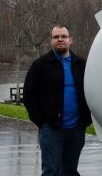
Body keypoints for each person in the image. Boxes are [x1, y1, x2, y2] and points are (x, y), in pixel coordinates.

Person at [23, 25, 92, 176]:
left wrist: (87, 119)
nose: (60, 39)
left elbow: (94, 92)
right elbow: (28, 96)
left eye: (63, 36)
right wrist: (41, 121)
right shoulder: (40, 65)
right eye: (56, 37)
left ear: (70, 40)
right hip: (51, 129)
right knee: (51, 171)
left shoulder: (82, 65)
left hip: (76, 129)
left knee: (69, 171)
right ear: (51, 41)